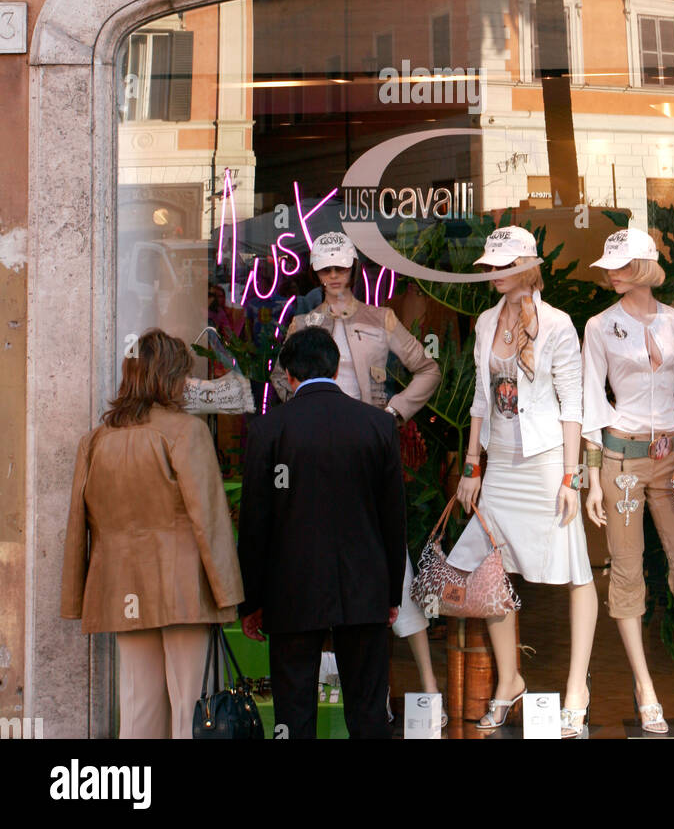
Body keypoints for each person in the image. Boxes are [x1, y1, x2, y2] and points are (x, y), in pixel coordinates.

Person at [270, 231, 443, 704]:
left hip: (365, 448)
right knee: (324, 560)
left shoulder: (381, 319)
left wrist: (392, 414)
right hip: (316, 457)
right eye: (325, 269)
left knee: (388, 557)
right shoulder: (304, 324)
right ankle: (367, 695)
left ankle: (426, 688)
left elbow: (427, 369)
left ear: (352, 268)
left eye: (339, 268)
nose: (333, 277)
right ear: (316, 272)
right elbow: (282, 383)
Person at [581, 227, 674, 734]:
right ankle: (645, 686)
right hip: (620, 460)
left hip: (672, 460)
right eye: (610, 266)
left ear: (644, 268)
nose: (612, 273)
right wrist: (592, 476)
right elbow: (590, 401)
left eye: (622, 265)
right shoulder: (600, 326)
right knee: (626, 573)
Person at [450, 226, 597, 738]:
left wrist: (570, 476)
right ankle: (509, 679)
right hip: (502, 464)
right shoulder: (485, 322)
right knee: (489, 571)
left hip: (545, 463)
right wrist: (472, 464)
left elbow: (573, 405)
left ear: (524, 267)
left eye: (501, 265)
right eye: (490, 265)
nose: (491, 273)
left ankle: (576, 690)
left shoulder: (557, 324)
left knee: (575, 568)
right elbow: (480, 397)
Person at [60, 329, 243, 739]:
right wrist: (229, 595)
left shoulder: (95, 441)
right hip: (182, 589)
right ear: (170, 376)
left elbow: (77, 528)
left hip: (119, 586)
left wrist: (76, 596)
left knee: (139, 706)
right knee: (190, 705)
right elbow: (209, 519)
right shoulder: (185, 432)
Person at [237, 326, 406, 740]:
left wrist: (251, 602)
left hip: (290, 591)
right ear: (334, 370)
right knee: (368, 711)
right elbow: (394, 519)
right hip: (364, 587)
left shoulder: (268, 430)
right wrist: (390, 594)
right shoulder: (377, 426)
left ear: (289, 375)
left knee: (292, 714)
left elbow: (255, 524)